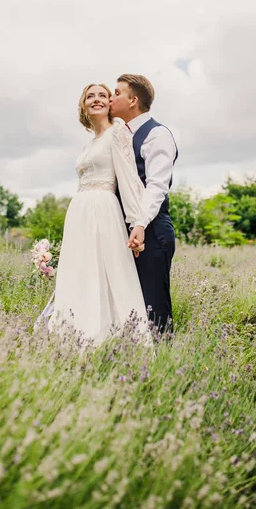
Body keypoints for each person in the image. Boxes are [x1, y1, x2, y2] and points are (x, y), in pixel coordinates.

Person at [36, 83, 150, 346]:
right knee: (80, 273)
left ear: (110, 104)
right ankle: (75, 338)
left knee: (109, 273)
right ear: (83, 105)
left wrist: (138, 223)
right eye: (90, 96)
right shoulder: (89, 144)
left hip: (103, 210)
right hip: (79, 213)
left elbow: (129, 180)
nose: (97, 99)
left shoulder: (118, 132)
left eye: (102, 95)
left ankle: (116, 341)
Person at [110, 74, 178, 333]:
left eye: (117, 93)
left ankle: (164, 365)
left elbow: (157, 186)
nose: (111, 97)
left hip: (151, 230)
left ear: (133, 100)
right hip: (127, 229)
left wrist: (139, 223)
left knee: (154, 306)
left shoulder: (157, 134)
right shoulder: (119, 135)